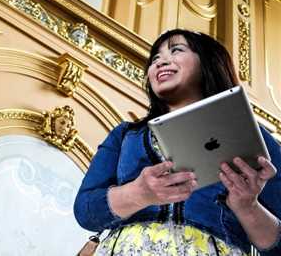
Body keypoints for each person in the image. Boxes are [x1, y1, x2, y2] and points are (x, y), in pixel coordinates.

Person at [74, 29, 281, 255]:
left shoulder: (252, 135)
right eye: (155, 59)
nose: (160, 62)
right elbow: (86, 211)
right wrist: (139, 193)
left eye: (176, 50)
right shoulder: (124, 135)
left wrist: (247, 207)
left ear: (208, 63)